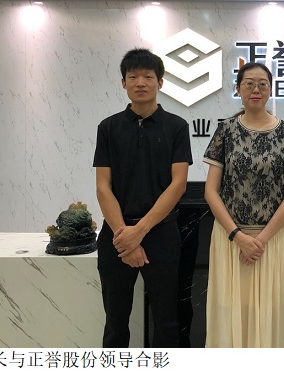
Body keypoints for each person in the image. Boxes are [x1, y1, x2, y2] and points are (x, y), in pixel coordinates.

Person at [93, 48, 192, 347]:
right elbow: (102, 187)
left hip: (161, 234)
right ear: (123, 82)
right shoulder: (108, 127)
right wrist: (126, 235)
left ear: (160, 82)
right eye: (133, 76)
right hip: (117, 234)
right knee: (115, 323)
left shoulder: (177, 127)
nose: (140, 82)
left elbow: (178, 185)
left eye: (148, 77)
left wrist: (139, 232)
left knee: (167, 321)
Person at [203, 62, 284, 347]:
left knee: (273, 314)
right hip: (231, 240)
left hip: (274, 241)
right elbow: (211, 191)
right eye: (249, 83)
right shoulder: (225, 130)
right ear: (238, 89)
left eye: (262, 84)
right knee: (231, 313)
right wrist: (238, 237)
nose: (256, 89)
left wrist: (259, 241)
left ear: (271, 90)